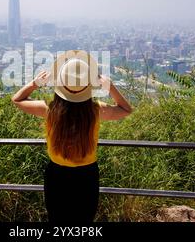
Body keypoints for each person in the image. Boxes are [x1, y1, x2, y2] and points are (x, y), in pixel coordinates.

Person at [12, 50, 132, 222]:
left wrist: (35, 83)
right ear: (88, 86)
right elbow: (126, 109)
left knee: (57, 220)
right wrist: (110, 87)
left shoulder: (49, 110)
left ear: (60, 84)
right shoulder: (96, 111)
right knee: (84, 222)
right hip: (87, 176)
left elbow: (17, 99)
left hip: (56, 175)